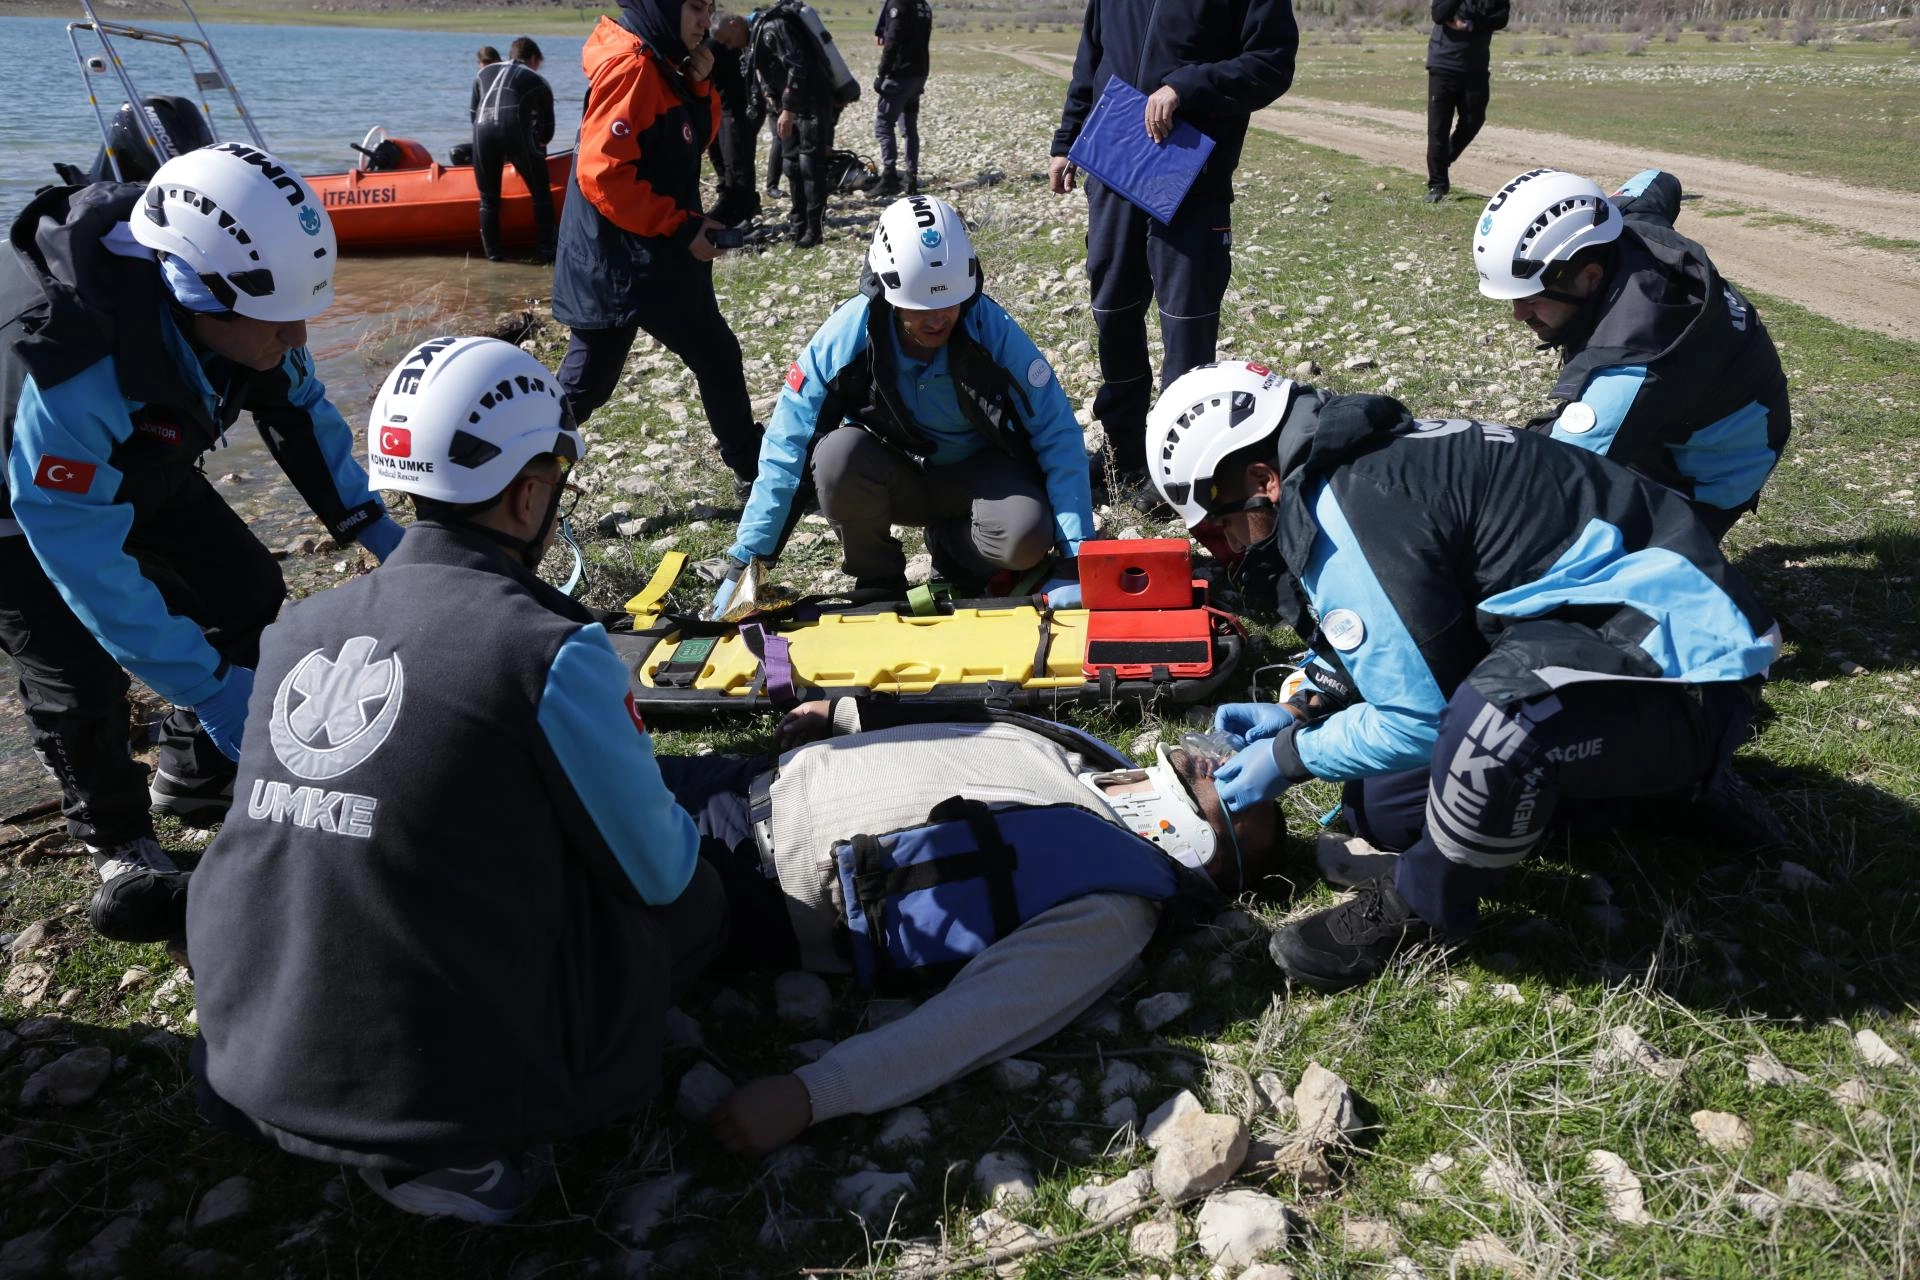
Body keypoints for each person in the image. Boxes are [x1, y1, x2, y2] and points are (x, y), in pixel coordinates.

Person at [186, 337, 726, 1226]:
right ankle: (456, 1158)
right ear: (528, 494)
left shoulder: (295, 629)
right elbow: (661, 874)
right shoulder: (544, 646)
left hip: (244, 1058)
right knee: (697, 899)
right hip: (414, 1098)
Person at [1145, 362, 1783, 993]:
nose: (1233, 547)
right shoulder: (1348, 467)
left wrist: (1290, 756)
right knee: (1388, 807)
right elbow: (1415, 623)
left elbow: (1419, 719)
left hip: (1688, 670)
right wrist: (1307, 704)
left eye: (1222, 526)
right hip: (1596, 641)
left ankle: (1422, 908)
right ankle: (1650, 793)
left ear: (1263, 479)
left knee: (1496, 724)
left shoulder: (1348, 503)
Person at [0, 141, 405, 940]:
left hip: (137, 447)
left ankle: (191, 774)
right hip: (21, 496)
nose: (297, 333)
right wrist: (206, 684)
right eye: (279, 320)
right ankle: (118, 842)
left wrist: (380, 532)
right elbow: (82, 553)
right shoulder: (76, 364)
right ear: (195, 295)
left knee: (247, 589)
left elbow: (300, 412)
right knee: (74, 675)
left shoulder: (245, 308)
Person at [646, 695, 1280, 1153]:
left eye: (1242, 800)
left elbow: (978, 1020)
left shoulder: (1115, 906)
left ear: (1213, 860)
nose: (1222, 766)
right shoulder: (1086, 756)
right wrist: (843, 713)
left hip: (739, 885)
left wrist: (814, 1094)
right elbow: (968, 720)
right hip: (726, 781)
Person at [714, 196, 1094, 612]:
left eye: (948, 303)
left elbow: (1056, 433)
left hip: (983, 475)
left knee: (1025, 538)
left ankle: (955, 552)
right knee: (837, 454)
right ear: (888, 293)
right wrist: (745, 563)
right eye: (919, 307)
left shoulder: (994, 332)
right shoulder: (846, 337)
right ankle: (878, 579)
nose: (937, 319)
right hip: (898, 474)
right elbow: (788, 446)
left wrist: (1074, 559)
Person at [1048, 0, 1297, 502]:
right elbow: (1091, 58)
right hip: (1115, 160)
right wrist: (1067, 137)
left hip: (1192, 175)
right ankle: (1122, 453)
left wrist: (1185, 87)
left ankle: (1178, 471)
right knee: (1113, 312)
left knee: (1186, 328)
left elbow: (1272, 62)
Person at [1474, 168, 1792, 541]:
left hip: (1713, 468)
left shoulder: (1630, 366)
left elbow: (1550, 481)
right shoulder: (1617, 223)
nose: (1518, 314)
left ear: (1591, 276)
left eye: (1530, 299)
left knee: (1608, 561)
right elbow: (1657, 180)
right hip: (1713, 394)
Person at [553, 0, 764, 496]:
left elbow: (691, 140)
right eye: (694, 7)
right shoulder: (632, 68)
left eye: (710, 8)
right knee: (586, 385)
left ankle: (753, 471)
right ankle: (513, 486)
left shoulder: (663, 62)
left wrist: (699, 86)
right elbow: (601, 174)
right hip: (616, 261)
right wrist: (681, 226)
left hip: (654, 252)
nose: (705, 21)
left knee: (716, 354)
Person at [745, 0, 842, 247]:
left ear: (735, 25)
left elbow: (797, 66)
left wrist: (788, 108)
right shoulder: (757, 37)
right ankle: (798, 225)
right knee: (791, 165)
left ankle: (814, 230)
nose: (728, 45)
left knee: (810, 166)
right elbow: (767, 70)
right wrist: (771, 96)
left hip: (811, 105)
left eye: (727, 40)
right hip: (789, 108)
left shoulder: (774, 28)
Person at [471, 36, 558, 263]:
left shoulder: (483, 73)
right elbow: (547, 132)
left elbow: (473, 115)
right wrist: (532, 148)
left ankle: (493, 256)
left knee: (488, 199)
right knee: (541, 193)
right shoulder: (538, 81)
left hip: (482, 133)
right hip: (515, 131)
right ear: (534, 59)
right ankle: (546, 252)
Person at [1423, 0, 1509, 202]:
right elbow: (1439, 14)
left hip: (1475, 67)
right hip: (1443, 64)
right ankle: (1437, 185)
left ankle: (1443, 160)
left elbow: (1501, 18)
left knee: (1473, 120)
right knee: (1438, 128)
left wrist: (1471, 25)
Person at [706, 13, 762, 227]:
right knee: (725, 159)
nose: (728, 44)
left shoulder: (713, 43)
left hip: (736, 109)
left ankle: (742, 212)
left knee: (737, 162)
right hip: (724, 108)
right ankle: (731, 202)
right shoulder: (714, 40)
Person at [872, 0, 931, 197]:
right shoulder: (923, 5)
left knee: (884, 125)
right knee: (909, 128)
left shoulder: (898, 4)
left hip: (900, 75)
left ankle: (889, 177)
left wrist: (881, 73)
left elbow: (892, 40)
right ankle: (910, 176)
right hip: (919, 73)